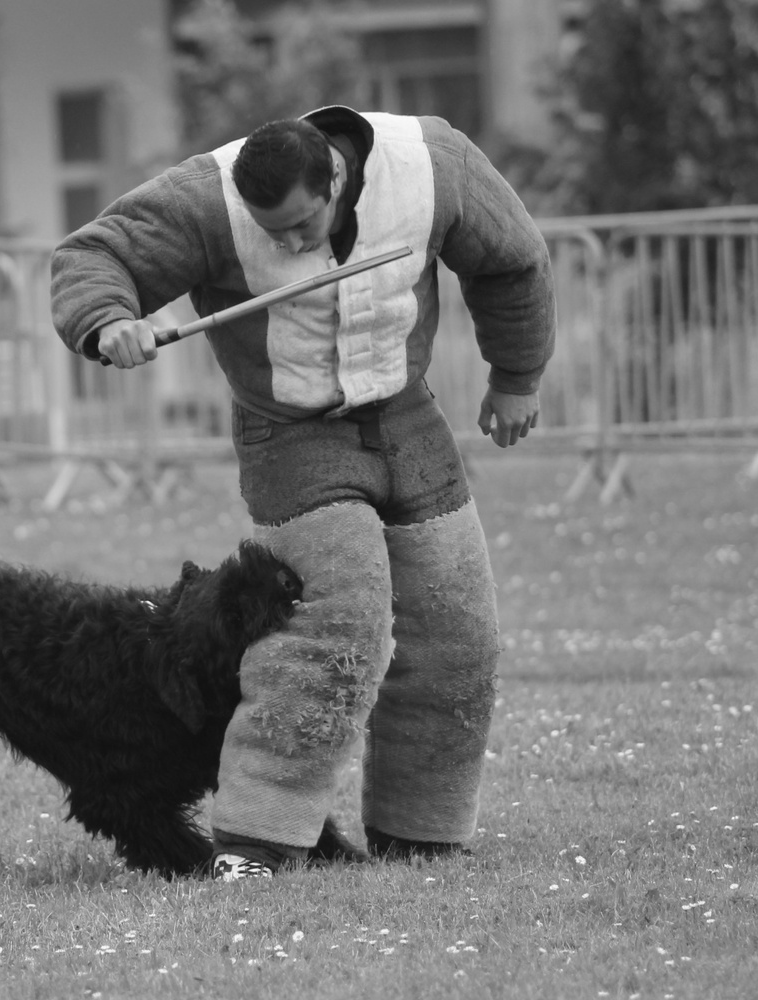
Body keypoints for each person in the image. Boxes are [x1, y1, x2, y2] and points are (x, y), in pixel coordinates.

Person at [49, 106, 555, 879]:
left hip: (406, 414)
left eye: (297, 226)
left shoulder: (435, 163)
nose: (285, 245)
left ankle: (421, 836)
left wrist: (517, 377)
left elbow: (512, 260)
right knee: (339, 620)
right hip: (286, 434)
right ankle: (256, 843)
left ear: (337, 178)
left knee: (460, 633)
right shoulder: (203, 199)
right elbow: (93, 256)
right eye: (270, 232)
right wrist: (108, 318)